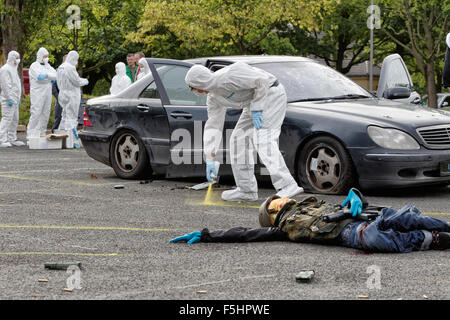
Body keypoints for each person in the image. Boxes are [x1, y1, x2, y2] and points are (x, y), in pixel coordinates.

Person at [171, 188, 450, 253]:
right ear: (271, 216)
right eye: (272, 204)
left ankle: (437, 229)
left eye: (276, 198)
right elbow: (245, 233)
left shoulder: (312, 201)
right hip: (351, 232)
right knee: (374, 239)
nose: (277, 199)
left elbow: (350, 197)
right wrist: (208, 234)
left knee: (406, 216)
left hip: (367, 214)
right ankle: (431, 239)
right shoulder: (282, 229)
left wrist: (355, 196)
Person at [185, 62, 303, 202]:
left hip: (271, 94)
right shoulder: (213, 97)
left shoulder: (230, 75)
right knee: (237, 140)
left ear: (200, 81)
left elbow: (261, 81)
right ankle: (246, 189)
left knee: (263, 140)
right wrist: (210, 157)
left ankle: (288, 185)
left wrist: (257, 108)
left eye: (193, 88)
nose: (195, 91)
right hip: (252, 103)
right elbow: (213, 125)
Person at [56, 51, 89, 145]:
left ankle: (61, 137)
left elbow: (58, 81)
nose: (77, 61)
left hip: (62, 93)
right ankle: (70, 139)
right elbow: (76, 81)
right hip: (71, 95)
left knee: (64, 115)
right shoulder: (70, 67)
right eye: (76, 59)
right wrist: (85, 81)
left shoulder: (61, 67)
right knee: (72, 117)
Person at [26, 48, 57, 141]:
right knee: (36, 112)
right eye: (45, 56)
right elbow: (39, 77)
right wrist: (48, 76)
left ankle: (42, 133)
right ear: (40, 56)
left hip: (47, 92)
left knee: (45, 112)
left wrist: (47, 76)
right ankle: (30, 135)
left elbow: (55, 76)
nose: (46, 58)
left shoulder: (48, 66)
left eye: (47, 56)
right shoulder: (34, 66)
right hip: (37, 93)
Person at [0, 51, 24, 148]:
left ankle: (12, 138)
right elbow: (6, 85)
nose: (18, 60)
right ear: (12, 58)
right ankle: (2, 139)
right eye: (16, 58)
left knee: (14, 120)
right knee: (6, 120)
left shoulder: (14, 69)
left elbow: (16, 85)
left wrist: (18, 98)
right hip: (8, 100)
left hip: (15, 99)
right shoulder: (5, 69)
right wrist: (9, 98)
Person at [52, 55, 67, 133]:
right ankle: (54, 133)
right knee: (58, 117)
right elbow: (53, 87)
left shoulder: (71, 71)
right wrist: (58, 97)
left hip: (68, 99)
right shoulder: (57, 71)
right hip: (60, 98)